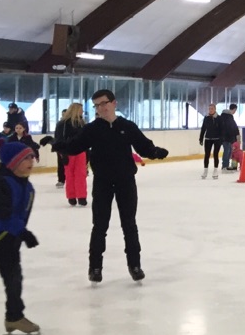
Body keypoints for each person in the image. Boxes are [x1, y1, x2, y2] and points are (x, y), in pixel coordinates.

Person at [59, 89, 167, 284]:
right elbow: (75, 146)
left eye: (104, 103)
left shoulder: (127, 126)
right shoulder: (92, 129)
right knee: (100, 225)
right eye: (97, 105)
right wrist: (58, 144)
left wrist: (156, 152)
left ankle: (135, 265)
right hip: (102, 182)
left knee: (129, 224)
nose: (101, 108)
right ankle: (95, 268)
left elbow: (143, 146)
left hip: (126, 181)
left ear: (114, 103)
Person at [0, 142, 41, 335]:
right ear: (13, 162)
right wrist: (22, 232)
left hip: (7, 241)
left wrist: (19, 234)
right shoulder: (0, 182)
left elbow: (19, 215)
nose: (32, 161)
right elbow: (1, 214)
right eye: (26, 158)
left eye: (32, 157)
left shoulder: (27, 186)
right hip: (1, 235)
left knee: (14, 279)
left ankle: (14, 317)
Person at [54, 102, 88, 205]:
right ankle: (72, 196)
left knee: (81, 174)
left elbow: (86, 139)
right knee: (69, 174)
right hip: (68, 151)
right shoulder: (62, 124)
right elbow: (59, 139)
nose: (82, 111)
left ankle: (81, 196)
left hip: (80, 151)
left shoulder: (82, 123)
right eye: (81, 109)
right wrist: (62, 153)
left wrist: (87, 152)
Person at [198, 103, 224, 179]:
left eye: (212, 109)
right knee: (207, 155)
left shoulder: (219, 118)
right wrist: (201, 138)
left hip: (217, 139)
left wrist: (222, 139)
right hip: (208, 139)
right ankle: (205, 170)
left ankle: (215, 170)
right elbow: (203, 129)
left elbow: (222, 129)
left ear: (215, 109)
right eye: (209, 109)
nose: (210, 110)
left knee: (215, 154)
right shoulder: (206, 118)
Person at [219, 103, 240, 170]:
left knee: (229, 151)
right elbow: (231, 128)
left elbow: (233, 127)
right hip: (227, 138)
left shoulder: (228, 117)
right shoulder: (227, 117)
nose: (235, 112)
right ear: (234, 109)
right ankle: (225, 165)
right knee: (227, 151)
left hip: (228, 138)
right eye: (235, 110)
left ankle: (227, 165)